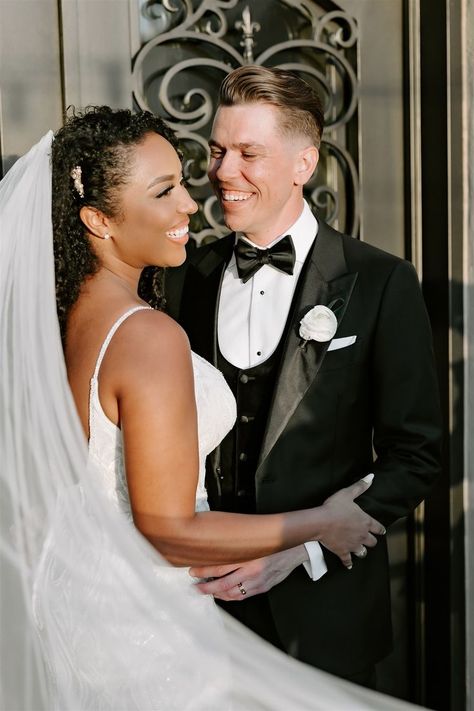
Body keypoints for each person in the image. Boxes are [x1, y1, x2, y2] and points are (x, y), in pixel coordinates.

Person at [0, 106, 407, 711]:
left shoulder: (58, 322)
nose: (192, 204)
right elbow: (166, 531)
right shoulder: (146, 335)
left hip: (79, 603)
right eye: (164, 191)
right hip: (144, 622)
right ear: (97, 219)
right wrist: (322, 523)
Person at [166, 65, 443, 689]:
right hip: (196, 612)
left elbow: (416, 456)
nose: (222, 172)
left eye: (248, 153)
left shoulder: (379, 282)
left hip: (326, 618)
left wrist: (301, 549)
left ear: (303, 164)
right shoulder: (188, 275)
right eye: (217, 150)